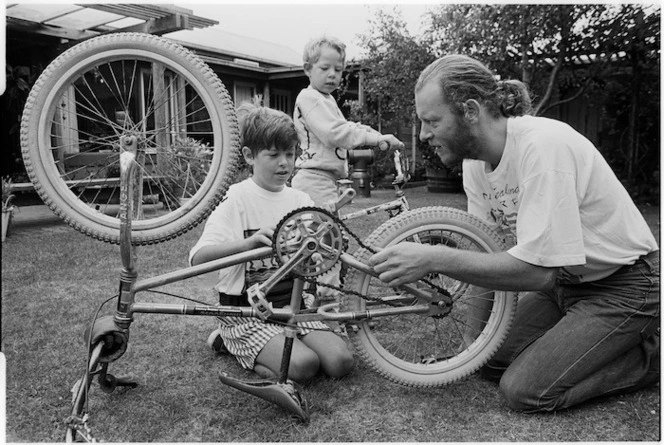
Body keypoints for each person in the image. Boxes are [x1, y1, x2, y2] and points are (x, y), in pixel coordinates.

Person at [369, 54, 660, 412]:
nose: (423, 134)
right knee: (487, 359)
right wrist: (467, 350)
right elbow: (485, 254)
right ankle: (598, 340)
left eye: (431, 121)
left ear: (471, 111)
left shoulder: (542, 147)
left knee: (525, 390)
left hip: (624, 285)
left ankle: (650, 356)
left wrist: (434, 258)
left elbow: (538, 272)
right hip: (565, 287)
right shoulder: (476, 164)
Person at [189, 103, 354, 382]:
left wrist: (320, 251)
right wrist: (246, 245)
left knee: (341, 363)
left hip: (295, 307)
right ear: (249, 156)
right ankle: (229, 342)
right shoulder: (235, 200)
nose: (284, 163)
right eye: (274, 154)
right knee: (303, 366)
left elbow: (315, 250)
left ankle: (276, 348)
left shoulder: (300, 200)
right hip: (247, 314)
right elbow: (198, 259)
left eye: (290, 154)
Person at [290, 35, 405, 311]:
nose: (332, 75)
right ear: (308, 68)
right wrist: (373, 139)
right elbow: (334, 134)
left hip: (326, 180)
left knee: (323, 243)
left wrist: (377, 136)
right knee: (327, 245)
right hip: (314, 179)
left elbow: (347, 127)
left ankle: (318, 301)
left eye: (338, 70)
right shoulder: (309, 97)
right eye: (324, 68)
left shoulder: (325, 99)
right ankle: (330, 308)